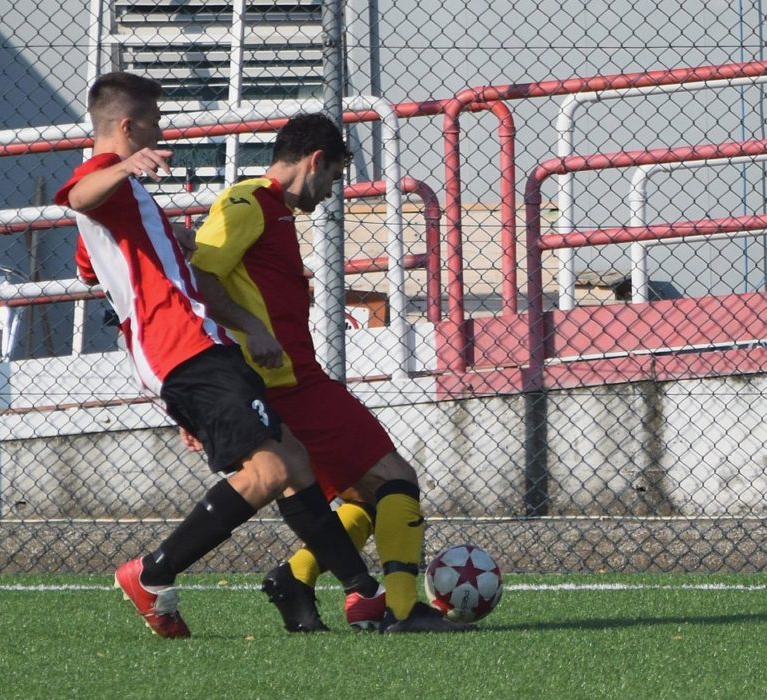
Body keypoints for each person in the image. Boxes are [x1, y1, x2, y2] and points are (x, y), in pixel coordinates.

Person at [53, 72, 383, 639]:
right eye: (154, 123)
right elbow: (78, 196)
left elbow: (92, 264)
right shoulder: (100, 178)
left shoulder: (127, 203)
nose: (160, 132)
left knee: (294, 460)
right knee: (272, 468)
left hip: (197, 345)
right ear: (128, 127)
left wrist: (168, 245)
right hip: (179, 348)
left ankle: (363, 594)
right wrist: (124, 168)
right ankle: (152, 573)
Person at [188, 113, 473, 634]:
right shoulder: (247, 203)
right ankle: (403, 610)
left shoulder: (269, 211)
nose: (330, 192)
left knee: (361, 498)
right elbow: (200, 274)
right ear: (316, 161)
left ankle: (294, 579)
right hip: (289, 384)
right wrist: (253, 329)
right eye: (334, 177)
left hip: (290, 381)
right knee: (395, 478)